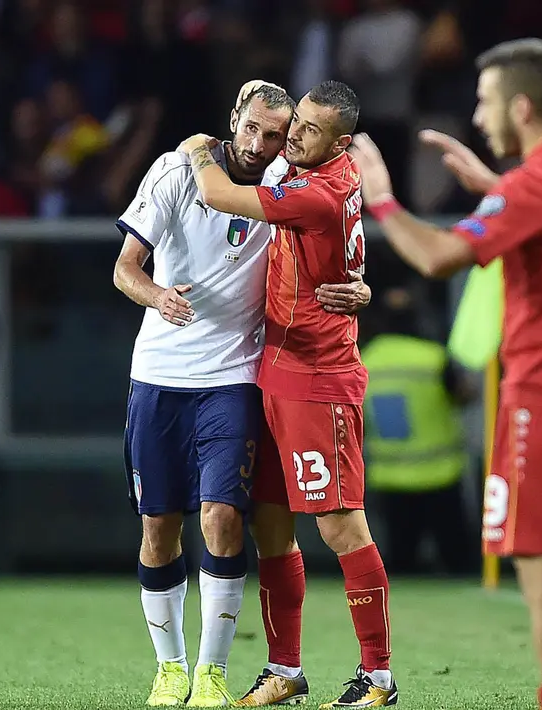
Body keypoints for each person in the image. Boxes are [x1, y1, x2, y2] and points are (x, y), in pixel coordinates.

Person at [349, 37, 542, 710]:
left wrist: (380, 198)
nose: (478, 113)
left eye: (485, 100)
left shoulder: (530, 185)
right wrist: (496, 191)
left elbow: (435, 257)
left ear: (520, 106)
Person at [116, 81, 371, 707]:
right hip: (157, 375)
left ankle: (211, 673)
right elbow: (126, 268)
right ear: (234, 117)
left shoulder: (281, 179)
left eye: (275, 135)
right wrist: (158, 296)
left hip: (234, 376)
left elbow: (334, 235)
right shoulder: (172, 172)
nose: (261, 145)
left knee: (224, 518)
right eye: (252, 128)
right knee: (158, 528)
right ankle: (169, 667)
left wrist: (358, 284)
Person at [179, 80, 398, 708]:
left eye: (308, 131)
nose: (293, 138)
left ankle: (378, 677)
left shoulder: (316, 190)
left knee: (340, 525)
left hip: (317, 379)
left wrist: (198, 147)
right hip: (272, 370)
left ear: (340, 145)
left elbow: (216, 191)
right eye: (294, 122)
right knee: (273, 526)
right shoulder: (328, 167)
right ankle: (284, 670)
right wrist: (358, 283)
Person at [362, 286, 478, 576]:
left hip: (390, 476)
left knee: (401, 564)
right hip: (440, 473)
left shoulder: (363, 360)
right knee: (457, 563)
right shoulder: (435, 357)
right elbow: (465, 395)